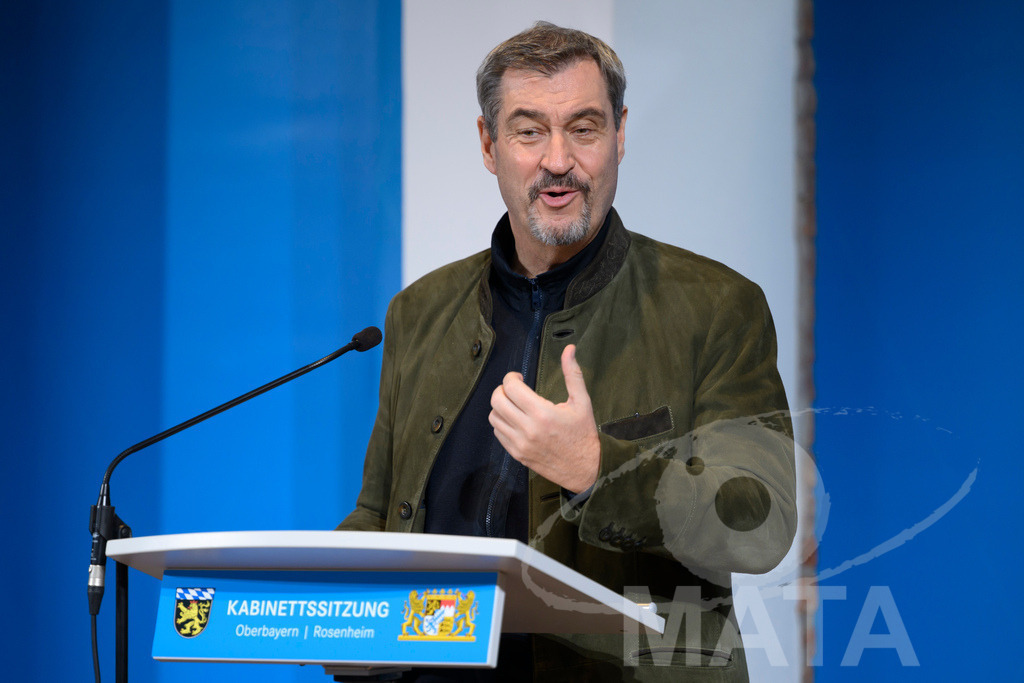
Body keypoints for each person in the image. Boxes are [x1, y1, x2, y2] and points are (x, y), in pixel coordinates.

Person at [339, 21, 796, 682]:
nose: (558, 159)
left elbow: (761, 522)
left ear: (620, 134)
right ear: (488, 144)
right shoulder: (418, 312)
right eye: (529, 131)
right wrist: (320, 600)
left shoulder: (717, 306)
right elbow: (378, 515)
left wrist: (595, 466)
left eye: (583, 128)